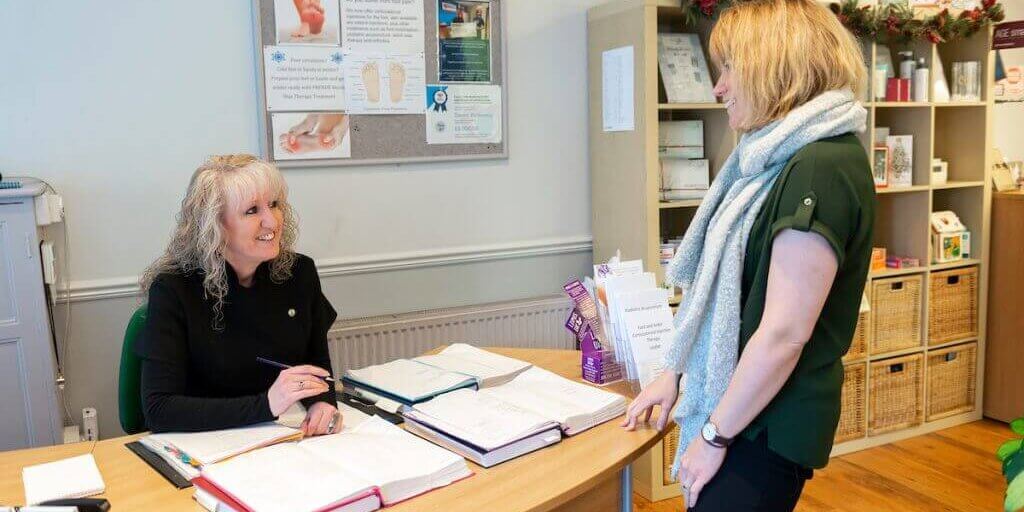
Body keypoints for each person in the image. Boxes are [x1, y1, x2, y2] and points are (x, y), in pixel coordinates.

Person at [621, 1, 875, 510]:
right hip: (744, 412)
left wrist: (714, 437)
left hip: (763, 426)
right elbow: (731, 297)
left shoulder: (820, 167)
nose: (718, 88)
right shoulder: (772, 159)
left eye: (729, 69)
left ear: (773, 66)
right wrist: (674, 371)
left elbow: (784, 333)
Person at [137, 154, 341, 436]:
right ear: (215, 226)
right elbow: (159, 410)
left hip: (280, 436)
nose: (272, 221)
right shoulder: (174, 289)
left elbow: (316, 365)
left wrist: (322, 402)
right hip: (207, 444)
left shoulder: (299, 273)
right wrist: (266, 405)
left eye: (273, 205)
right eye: (252, 211)